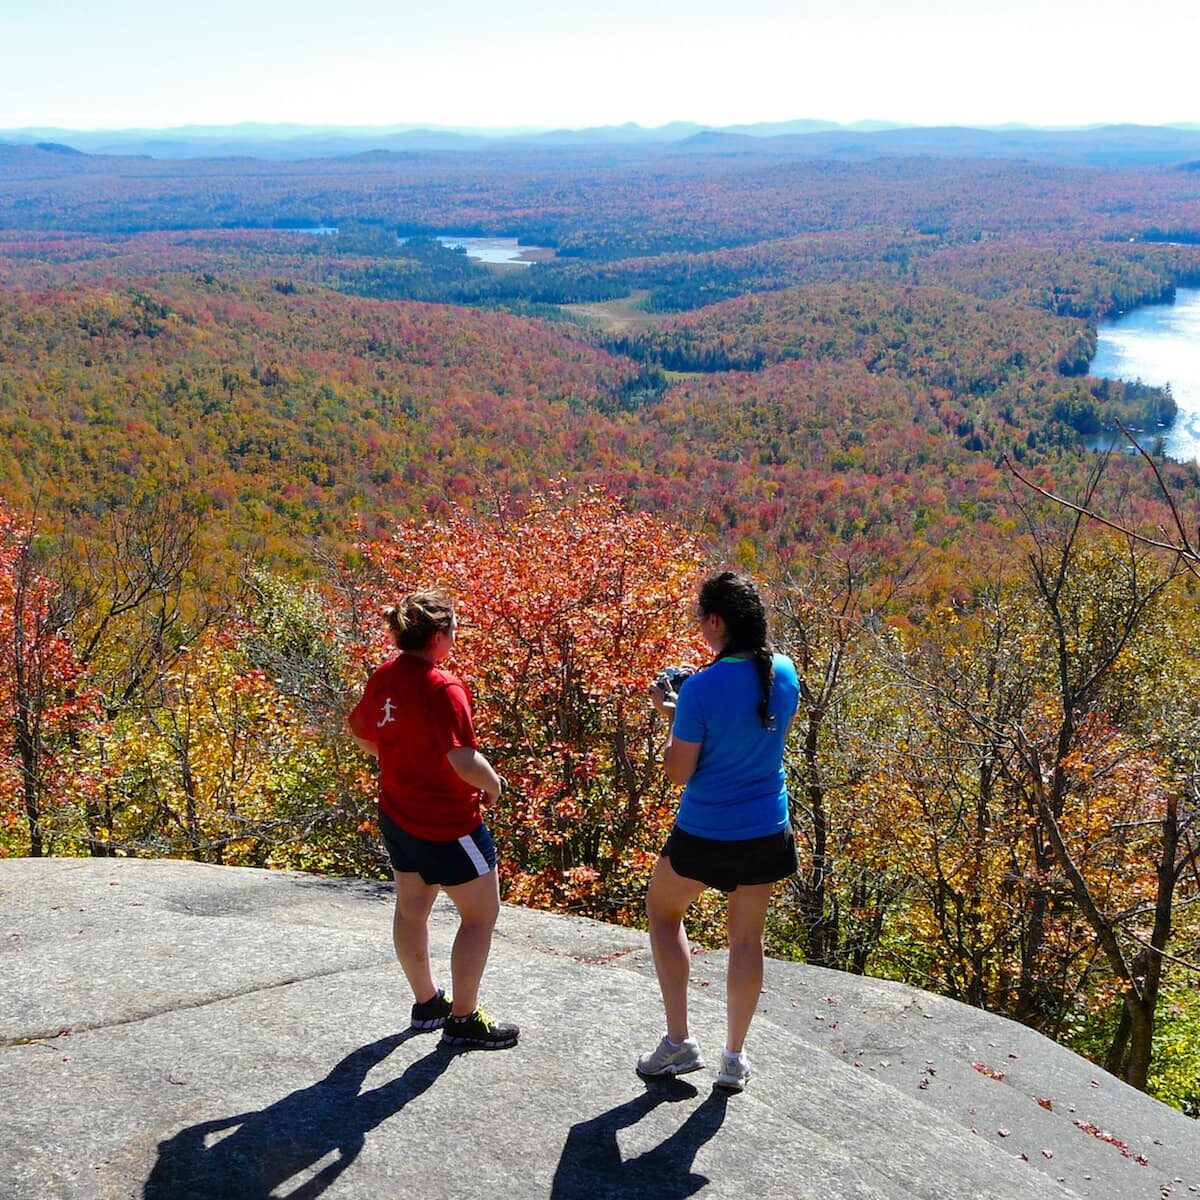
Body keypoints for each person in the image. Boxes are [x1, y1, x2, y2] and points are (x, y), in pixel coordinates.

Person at [638, 571, 801, 1092]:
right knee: (746, 941)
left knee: (664, 915)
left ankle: (679, 1043)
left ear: (716, 621)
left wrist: (673, 713)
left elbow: (680, 772)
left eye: (701, 621)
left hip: (705, 831)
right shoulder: (784, 672)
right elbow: (755, 737)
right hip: (765, 829)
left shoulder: (701, 690)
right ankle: (734, 1058)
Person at [348, 589, 518, 1050]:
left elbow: (362, 731)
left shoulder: (384, 675)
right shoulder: (445, 688)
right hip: (447, 824)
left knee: (411, 906)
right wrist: (493, 785)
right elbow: (463, 758)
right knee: (481, 916)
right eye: (455, 631)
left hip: (397, 814)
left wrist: (399, 762)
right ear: (440, 637)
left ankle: (427, 1004)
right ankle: (463, 1020)